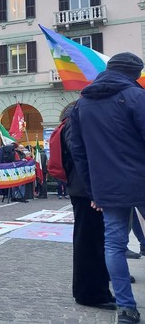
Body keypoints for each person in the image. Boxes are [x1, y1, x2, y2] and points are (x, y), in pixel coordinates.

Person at [70, 52, 145, 324]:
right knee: (115, 244)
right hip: (141, 179)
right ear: (134, 73)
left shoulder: (81, 104)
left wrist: (93, 190)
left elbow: (78, 151)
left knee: (113, 245)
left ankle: (126, 308)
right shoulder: (137, 97)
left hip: (107, 186)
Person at [58, 104, 116, 310]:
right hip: (86, 191)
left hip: (86, 189)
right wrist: (94, 191)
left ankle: (99, 290)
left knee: (95, 242)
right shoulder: (76, 120)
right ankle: (89, 293)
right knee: (89, 243)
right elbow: (79, 154)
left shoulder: (77, 119)